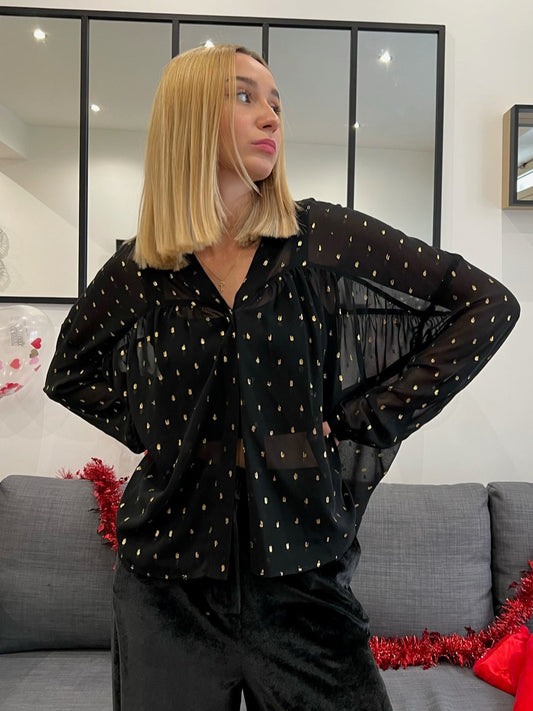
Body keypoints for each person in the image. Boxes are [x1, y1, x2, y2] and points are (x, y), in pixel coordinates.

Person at [45, 44, 520, 711]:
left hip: (302, 573)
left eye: (275, 102)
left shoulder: (320, 235)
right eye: (244, 96)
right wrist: (157, 431)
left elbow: (487, 305)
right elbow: (69, 372)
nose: (271, 116)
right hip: (166, 586)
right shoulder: (143, 267)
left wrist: (362, 417)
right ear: (187, 116)